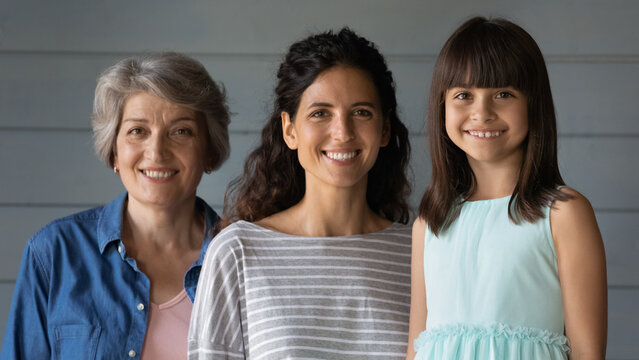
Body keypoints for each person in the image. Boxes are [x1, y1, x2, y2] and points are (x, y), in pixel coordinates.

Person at [188, 28, 412, 359]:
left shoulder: (421, 253)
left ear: (385, 129)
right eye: (320, 113)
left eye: (361, 112)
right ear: (289, 130)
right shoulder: (238, 252)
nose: (342, 132)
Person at [0, 52, 230, 360]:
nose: (157, 152)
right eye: (138, 131)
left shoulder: (241, 261)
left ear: (209, 152)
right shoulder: (53, 253)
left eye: (181, 131)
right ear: (113, 153)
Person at [406, 17, 607, 359]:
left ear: (533, 103)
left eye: (503, 94)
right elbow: (416, 347)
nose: (481, 113)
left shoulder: (563, 214)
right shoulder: (429, 223)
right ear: (442, 106)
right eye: (463, 95)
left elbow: (588, 353)